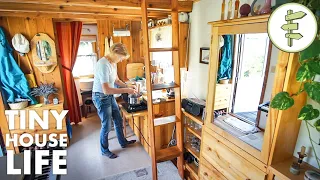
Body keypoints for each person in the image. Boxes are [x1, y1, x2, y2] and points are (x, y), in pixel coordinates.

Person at [92, 43, 137, 159]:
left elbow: (116, 80)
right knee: (106, 126)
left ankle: (123, 142)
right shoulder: (103, 64)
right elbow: (106, 90)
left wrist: (128, 85)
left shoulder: (113, 63)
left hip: (109, 96)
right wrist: (126, 90)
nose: (121, 60)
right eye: (121, 57)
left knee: (118, 119)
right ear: (115, 53)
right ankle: (104, 150)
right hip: (101, 97)